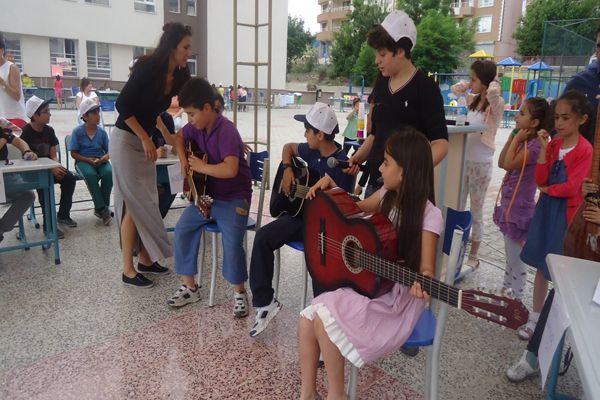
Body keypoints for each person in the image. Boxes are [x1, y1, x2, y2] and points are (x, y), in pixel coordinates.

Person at [298, 127, 443, 400]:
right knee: (308, 319)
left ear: (405, 172)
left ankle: (336, 395)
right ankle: (307, 394)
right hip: (375, 284)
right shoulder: (387, 193)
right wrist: (335, 189)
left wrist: (423, 282)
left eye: (387, 162)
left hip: (397, 300)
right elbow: (355, 211)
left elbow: (427, 270)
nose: (379, 166)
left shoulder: (430, 215)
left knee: (324, 318)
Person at [248, 102, 355, 337]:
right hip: (301, 218)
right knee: (264, 236)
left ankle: (325, 328)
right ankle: (265, 302)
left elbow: (345, 209)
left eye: (308, 130)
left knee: (318, 261)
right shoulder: (310, 149)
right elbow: (288, 147)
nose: (304, 135)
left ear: (321, 134)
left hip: (326, 229)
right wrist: (288, 169)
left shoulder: (342, 164)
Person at [109, 22, 192, 288]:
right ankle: (127, 269)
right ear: (172, 46)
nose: (188, 52)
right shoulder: (147, 67)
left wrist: (169, 136)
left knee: (147, 202)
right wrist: (146, 138)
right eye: (185, 47)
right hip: (126, 141)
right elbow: (123, 106)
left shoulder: (180, 74)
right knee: (134, 205)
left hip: (143, 141)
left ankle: (146, 259)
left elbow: (156, 109)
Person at [167, 77, 252, 317]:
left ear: (207, 108)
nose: (189, 119)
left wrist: (201, 168)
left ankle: (239, 292)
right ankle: (191, 287)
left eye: (192, 114)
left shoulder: (226, 130)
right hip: (208, 196)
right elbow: (180, 137)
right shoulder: (197, 126)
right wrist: (184, 160)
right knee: (182, 229)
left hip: (235, 197)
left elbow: (230, 169)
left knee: (232, 241)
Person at [516, 91, 593, 341]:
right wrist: (543, 151)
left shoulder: (585, 149)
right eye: (557, 117)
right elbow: (540, 178)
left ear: (582, 119)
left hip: (566, 214)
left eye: (566, 118)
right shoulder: (555, 144)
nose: (559, 123)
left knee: (560, 269)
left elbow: (572, 186)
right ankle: (535, 316)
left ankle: (556, 322)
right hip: (546, 210)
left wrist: (549, 189)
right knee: (540, 264)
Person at [347, 10, 448, 197]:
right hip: (376, 182)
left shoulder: (426, 88)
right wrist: (359, 156)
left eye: (382, 54)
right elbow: (377, 134)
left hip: (408, 190)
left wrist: (410, 171)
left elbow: (441, 143)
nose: (377, 60)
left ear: (400, 51)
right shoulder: (382, 83)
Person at [494, 98, 550, 300]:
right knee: (509, 256)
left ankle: (517, 301)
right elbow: (501, 162)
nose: (517, 116)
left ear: (534, 122)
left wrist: (516, 140)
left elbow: (509, 164)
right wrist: (512, 138)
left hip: (519, 211)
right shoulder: (524, 141)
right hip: (509, 206)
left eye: (522, 113)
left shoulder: (534, 147)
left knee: (517, 260)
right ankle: (506, 290)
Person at [451, 60, 505, 270]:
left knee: (476, 209)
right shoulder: (472, 101)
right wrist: (467, 85)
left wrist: (494, 82)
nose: (471, 82)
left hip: (481, 164)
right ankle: (457, 249)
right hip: (463, 160)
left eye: (474, 78)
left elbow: (492, 95)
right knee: (458, 205)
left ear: (485, 81)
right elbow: (455, 92)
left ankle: (473, 255)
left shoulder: (496, 104)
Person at [21, 96, 78, 239]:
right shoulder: (25, 133)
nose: (50, 114)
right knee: (45, 187)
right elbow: (25, 160)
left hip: (49, 169)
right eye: (46, 111)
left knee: (69, 178)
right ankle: (49, 226)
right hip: (34, 172)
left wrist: (57, 167)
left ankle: (63, 215)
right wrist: (50, 169)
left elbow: (53, 155)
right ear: (35, 115)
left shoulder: (49, 131)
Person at [69, 98, 112, 225]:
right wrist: (87, 159)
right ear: (85, 116)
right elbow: (73, 153)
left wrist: (106, 157)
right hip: (83, 161)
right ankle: (103, 209)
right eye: (94, 113)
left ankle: (101, 208)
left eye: (98, 112)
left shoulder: (102, 133)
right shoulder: (77, 132)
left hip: (100, 159)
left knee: (109, 173)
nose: (98, 116)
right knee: (90, 175)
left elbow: (109, 151)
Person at [0, 119, 37, 243]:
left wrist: (26, 151)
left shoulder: (3, 129)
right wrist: (4, 138)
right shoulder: (3, 134)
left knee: (28, 195)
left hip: (6, 177)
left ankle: (1, 229)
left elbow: (19, 141)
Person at [152, 111, 178, 218]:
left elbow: (174, 148)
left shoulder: (166, 117)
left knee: (176, 184)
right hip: (145, 166)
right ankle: (153, 220)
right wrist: (154, 152)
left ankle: (157, 218)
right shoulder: (140, 116)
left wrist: (162, 127)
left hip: (164, 164)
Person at [0, 35, 27, 128]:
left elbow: (17, 96)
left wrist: (3, 83)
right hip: (2, 117)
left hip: (15, 117)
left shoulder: (11, 67)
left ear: (2, 50)